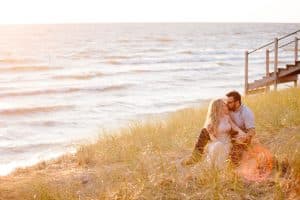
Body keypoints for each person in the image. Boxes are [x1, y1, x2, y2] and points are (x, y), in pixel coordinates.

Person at [182, 90, 255, 166]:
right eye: (225, 103)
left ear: (236, 103)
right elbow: (216, 113)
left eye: (229, 103)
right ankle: (195, 157)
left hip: (234, 135)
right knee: (205, 131)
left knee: (231, 155)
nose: (227, 105)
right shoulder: (227, 110)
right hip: (220, 137)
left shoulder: (246, 112)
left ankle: (230, 161)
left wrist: (245, 136)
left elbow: (250, 130)